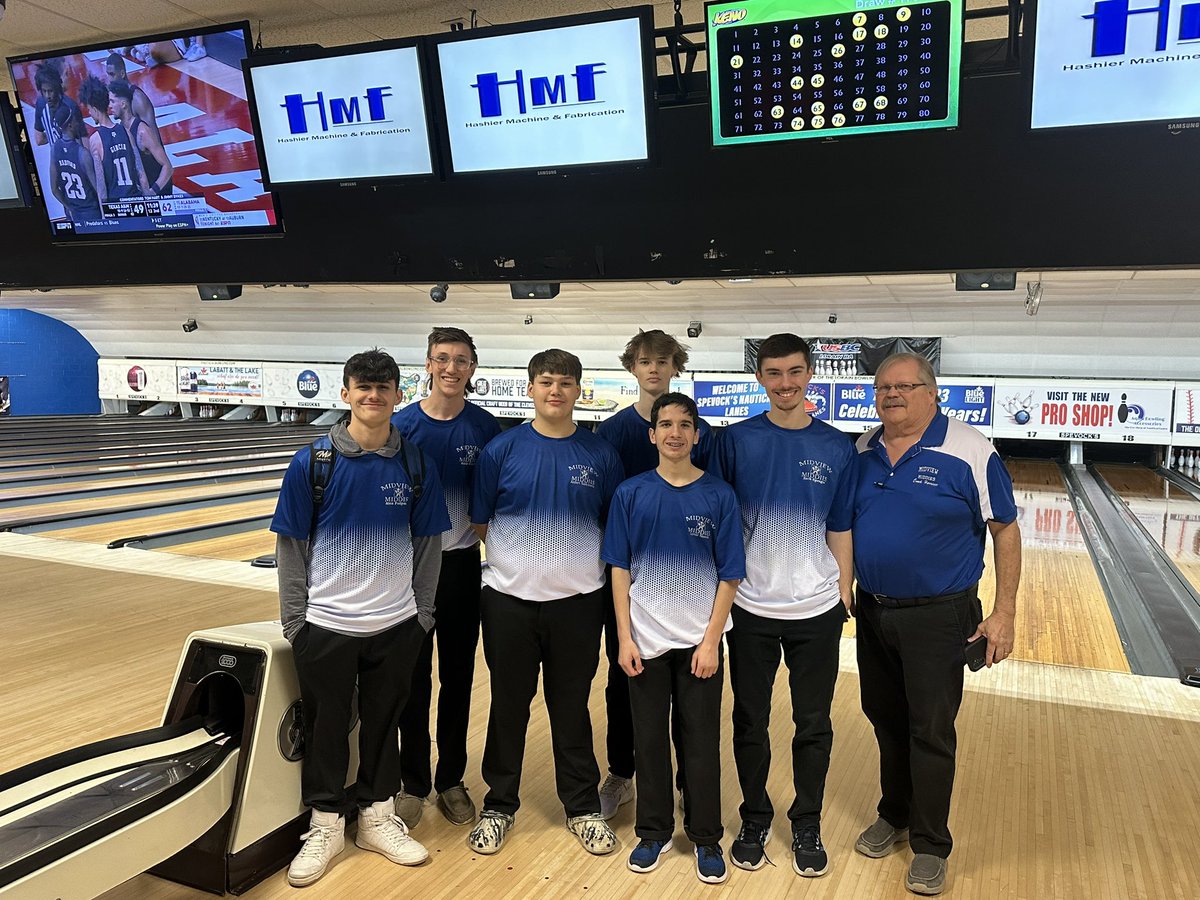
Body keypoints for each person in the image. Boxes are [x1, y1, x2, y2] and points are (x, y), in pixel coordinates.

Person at [270, 348, 451, 887]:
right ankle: (325, 824)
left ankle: (376, 816)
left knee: (384, 722)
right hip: (326, 624)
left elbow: (429, 544)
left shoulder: (415, 464)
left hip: (396, 623)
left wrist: (421, 615)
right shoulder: (313, 463)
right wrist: (295, 623)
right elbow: (291, 546)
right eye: (363, 387)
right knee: (326, 726)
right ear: (346, 393)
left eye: (383, 387)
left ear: (398, 394)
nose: (373, 396)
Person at [851, 352, 1020, 896]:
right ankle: (894, 813)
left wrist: (1004, 611)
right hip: (873, 609)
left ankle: (930, 844)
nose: (892, 395)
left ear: (932, 393)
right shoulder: (863, 449)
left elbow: (1005, 529)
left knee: (930, 729)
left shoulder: (969, 449)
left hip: (940, 615)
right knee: (885, 718)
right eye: (883, 387)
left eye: (904, 386)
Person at [467, 349, 624, 857]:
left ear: (579, 390)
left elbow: (611, 524)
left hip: (579, 604)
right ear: (531, 388)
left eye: (565, 382)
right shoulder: (502, 450)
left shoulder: (600, 454)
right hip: (508, 602)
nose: (555, 390)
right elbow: (482, 520)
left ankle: (582, 807)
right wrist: (524, 564)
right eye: (546, 381)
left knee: (571, 706)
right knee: (508, 706)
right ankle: (499, 805)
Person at [710, 332, 856, 879]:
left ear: (809, 374)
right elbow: (720, 520)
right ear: (760, 378)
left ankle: (807, 821)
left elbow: (840, 524)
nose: (785, 383)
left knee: (813, 722)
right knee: (749, 720)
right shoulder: (736, 440)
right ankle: (754, 817)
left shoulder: (837, 446)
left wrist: (843, 591)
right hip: (751, 606)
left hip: (816, 609)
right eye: (774, 373)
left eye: (794, 372)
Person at [603, 392, 744, 885]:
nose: (675, 433)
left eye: (685, 425)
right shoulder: (630, 493)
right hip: (644, 641)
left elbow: (730, 574)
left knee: (701, 741)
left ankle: (706, 836)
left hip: (699, 643)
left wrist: (710, 642)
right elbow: (619, 569)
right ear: (652, 434)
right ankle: (653, 831)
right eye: (666, 424)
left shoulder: (719, 495)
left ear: (697, 435)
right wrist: (624, 638)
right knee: (648, 740)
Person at [594, 329, 713, 818]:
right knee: (623, 677)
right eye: (645, 361)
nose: (654, 369)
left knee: (689, 691)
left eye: (663, 361)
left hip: (684, 583)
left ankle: (687, 782)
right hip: (628, 579)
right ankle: (622, 773)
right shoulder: (612, 432)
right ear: (632, 368)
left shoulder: (696, 430)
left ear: (675, 367)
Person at [391, 327, 500, 829]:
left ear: (472, 368)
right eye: (442, 358)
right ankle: (412, 781)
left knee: (457, 678)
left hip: (459, 567)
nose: (451, 367)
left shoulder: (486, 428)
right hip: (408, 569)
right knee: (412, 679)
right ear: (428, 364)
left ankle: (451, 779)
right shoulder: (402, 426)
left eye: (460, 360)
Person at [76, 75, 151, 204]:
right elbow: (141, 175)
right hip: (136, 200)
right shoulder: (126, 131)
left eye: (89, 110)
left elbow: (101, 186)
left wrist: (105, 212)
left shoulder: (95, 140)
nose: (89, 113)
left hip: (117, 206)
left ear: (94, 109)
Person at [108, 79, 173, 196]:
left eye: (112, 102)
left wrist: (152, 192)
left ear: (123, 104)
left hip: (158, 193)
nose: (109, 106)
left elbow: (167, 167)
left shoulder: (142, 131)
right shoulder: (120, 130)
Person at [49, 107, 101, 224]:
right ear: (70, 126)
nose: (78, 123)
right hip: (92, 213)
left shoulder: (54, 149)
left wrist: (69, 207)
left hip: (74, 214)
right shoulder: (83, 154)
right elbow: (98, 190)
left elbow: (54, 189)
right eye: (75, 120)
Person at [104, 54, 160, 133]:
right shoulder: (118, 97)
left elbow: (153, 135)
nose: (110, 79)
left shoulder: (138, 99)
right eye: (108, 74)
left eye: (112, 74)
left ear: (122, 74)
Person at [31, 62, 80, 147]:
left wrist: (52, 137)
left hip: (56, 154)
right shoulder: (71, 106)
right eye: (44, 91)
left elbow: (39, 139)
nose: (47, 96)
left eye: (50, 91)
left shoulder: (40, 104)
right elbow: (82, 142)